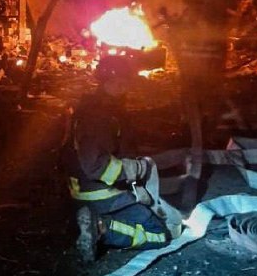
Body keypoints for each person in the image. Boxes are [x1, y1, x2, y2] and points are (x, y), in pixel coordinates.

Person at [61, 55, 181, 262]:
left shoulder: (94, 108)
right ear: (113, 81)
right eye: (122, 81)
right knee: (159, 234)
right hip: (100, 193)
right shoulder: (100, 117)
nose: (125, 86)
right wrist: (137, 169)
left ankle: (92, 219)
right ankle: (101, 228)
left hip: (84, 189)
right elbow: (95, 165)